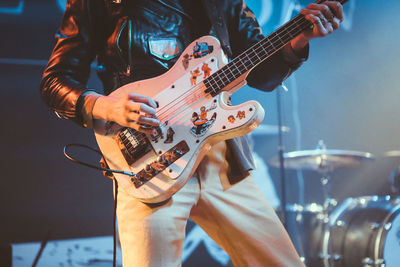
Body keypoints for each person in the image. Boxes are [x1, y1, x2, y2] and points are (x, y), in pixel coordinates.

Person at [40, 0, 344, 266]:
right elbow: (55, 81)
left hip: (222, 161)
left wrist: (299, 39)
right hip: (149, 163)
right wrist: (106, 107)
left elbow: (261, 74)